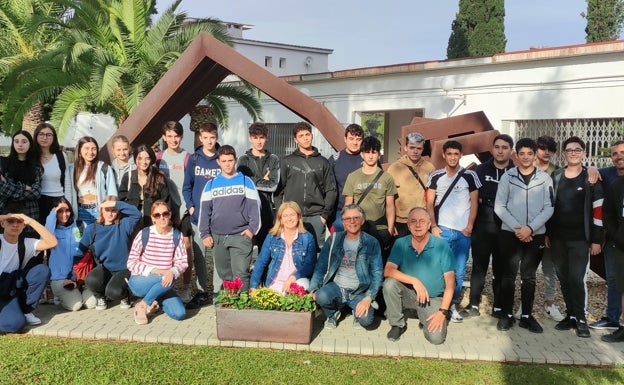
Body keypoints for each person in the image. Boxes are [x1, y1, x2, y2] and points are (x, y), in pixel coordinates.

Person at [493, 138, 554, 333]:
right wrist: (518, 228)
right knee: (508, 276)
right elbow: (499, 206)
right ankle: (506, 314)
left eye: (530, 153)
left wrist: (531, 228)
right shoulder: (507, 177)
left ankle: (527, 316)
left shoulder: (545, 179)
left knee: (528, 277)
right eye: (522, 153)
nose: (526, 157)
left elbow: (549, 207)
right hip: (510, 234)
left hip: (535, 235)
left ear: (535, 155)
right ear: (516, 155)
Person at [549, 136, 603, 338]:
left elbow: (598, 211)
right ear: (563, 153)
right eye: (569, 150)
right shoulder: (556, 175)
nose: (573, 153)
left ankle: (581, 318)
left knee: (576, 278)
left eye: (577, 149)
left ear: (584, 153)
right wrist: (548, 233)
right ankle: (570, 315)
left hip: (581, 239)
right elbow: (549, 206)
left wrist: (596, 239)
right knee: (563, 277)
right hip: (557, 239)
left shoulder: (590, 178)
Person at [460, 134, 514, 318]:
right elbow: (474, 196)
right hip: (483, 225)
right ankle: (473, 304)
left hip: (506, 228)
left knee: (501, 267)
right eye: (497, 147)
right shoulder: (480, 170)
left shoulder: (515, 171)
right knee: (479, 267)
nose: (500, 150)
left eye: (504, 147)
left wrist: (489, 198)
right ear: (492, 149)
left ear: (511, 151)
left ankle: (498, 306)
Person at [426, 140, 480, 323]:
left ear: (461, 155)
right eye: (449, 154)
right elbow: (429, 203)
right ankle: (435, 305)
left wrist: (470, 226)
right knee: (437, 269)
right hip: (442, 230)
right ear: (444, 154)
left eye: (456, 154)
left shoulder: (470, 176)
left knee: (458, 272)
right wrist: (433, 226)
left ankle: (451, 306)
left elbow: (474, 202)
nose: (452, 157)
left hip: (462, 233)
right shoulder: (436, 176)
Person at [383, 207, 455, 344]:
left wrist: (442, 312)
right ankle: (397, 324)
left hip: (432, 298)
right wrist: (414, 280)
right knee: (389, 284)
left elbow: (451, 284)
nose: (417, 225)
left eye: (422, 221)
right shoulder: (400, 243)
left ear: (429, 224)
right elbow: (388, 271)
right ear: (408, 225)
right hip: (409, 294)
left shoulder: (441, 246)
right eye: (413, 221)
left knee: (436, 339)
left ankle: (424, 317)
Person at [308, 204, 383, 329]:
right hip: (336, 287)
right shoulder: (334, 239)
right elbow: (320, 267)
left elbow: (377, 273)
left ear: (362, 220)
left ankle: (355, 312)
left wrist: (368, 298)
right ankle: (333, 314)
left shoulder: (371, 242)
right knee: (321, 296)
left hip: (359, 291)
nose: (352, 221)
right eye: (347, 219)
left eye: (356, 218)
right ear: (343, 222)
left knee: (366, 320)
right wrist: (313, 289)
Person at [198, 145, 261, 292]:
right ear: (218, 162)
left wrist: (252, 230)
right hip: (218, 237)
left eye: (230, 160)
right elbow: (204, 211)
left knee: (241, 274)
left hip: (240, 236)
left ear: (236, 160)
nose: (227, 164)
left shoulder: (246, 182)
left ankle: (242, 308)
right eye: (224, 160)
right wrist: (205, 233)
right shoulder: (211, 184)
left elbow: (255, 209)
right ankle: (230, 306)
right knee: (225, 275)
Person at [275, 121, 337, 250]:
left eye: (307, 134)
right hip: (293, 215)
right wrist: (283, 213)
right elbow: (278, 191)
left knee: (315, 252)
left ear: (312, 136)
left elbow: (331, 190)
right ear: (295, 139)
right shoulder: (287, 161)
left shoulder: (323, 162)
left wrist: (324, 216)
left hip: (316, 216)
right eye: (301, 135)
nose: (305, 138)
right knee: (292, 251)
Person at [127, 200, 188, 324]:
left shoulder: (176, 236)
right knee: (170, 277)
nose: (162, 218)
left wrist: (172, 271)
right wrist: (155, 270)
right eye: (157, 215)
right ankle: (143, 306)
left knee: (180, 314)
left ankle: (152, 300)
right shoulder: (144, 234)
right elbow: (131, 262)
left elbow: (182, 262)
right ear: (153, 218)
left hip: (164, 283)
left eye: (165, 214)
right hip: (141, 280)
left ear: (170, 215)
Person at [523, 135, 564, 322]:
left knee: (549, 268)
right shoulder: (525, 170)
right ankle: (524, 307)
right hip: (526, 230)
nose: (546, 152)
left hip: (548, 230)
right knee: (526, 269)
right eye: (542, 148)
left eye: (551, 149)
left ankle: (549, 303)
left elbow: (556, 205)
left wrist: (550, 232)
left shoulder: (558, 173)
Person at [0, 204, 57, 332]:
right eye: (10, 221)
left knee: (42, 270)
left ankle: (25, 310)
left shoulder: (26, 243)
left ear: (24, 224)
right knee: (13, 325)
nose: (15, 225)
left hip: (12, 288)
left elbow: (52, 242)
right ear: (2, 223)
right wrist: (5, 216)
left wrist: (30, 220)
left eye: (19, 222)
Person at [182, 122, 222, 308]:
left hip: (218, 217)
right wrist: (191, 207)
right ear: (200, 137)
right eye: (205, 137)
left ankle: (219, 292)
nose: (209, 141)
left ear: (216, 137)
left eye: (212, 137)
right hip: (198, 218)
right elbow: (187, 186)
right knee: (199, 256)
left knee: (218, 256)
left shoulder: (222, 158)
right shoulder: (194, 159)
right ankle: (202, 291)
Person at [155, 121, 194, 304]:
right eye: (169, 136)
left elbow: (191, 186)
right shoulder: (158, 158)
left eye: (176, 136)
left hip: (183, 211)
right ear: (164, 137)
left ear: (182, 136)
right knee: (162, 248)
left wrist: (183, 212)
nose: (173, 139)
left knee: (186, 249)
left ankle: (186, 287)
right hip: (164, 212)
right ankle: (160, 287)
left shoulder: (188, 158)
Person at [79, 197, 141, 310]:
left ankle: (125, 295)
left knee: (113, 292)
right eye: (107, 209)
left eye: (114, 210)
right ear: (101, 210)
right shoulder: (92, 229)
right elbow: (80, 251)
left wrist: (116, 203)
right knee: (91, 280)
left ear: (118, 211)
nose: (110, 213)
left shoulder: (124, 225)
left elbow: (136, 214)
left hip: (123, 269)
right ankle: (100, 297)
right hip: (104, 269)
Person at [343, 136, 397, 259]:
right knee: (359, 262)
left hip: (380, 228)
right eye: (367, 152)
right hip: (358, 227)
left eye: (374, 152)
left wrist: (389, 229)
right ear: (362, 154)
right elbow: (348, 206)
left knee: (379, 264)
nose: (370, 156)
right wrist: (348, 228)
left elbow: (390, 206)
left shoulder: (386, 177)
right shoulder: (352, 176)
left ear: (379, 155)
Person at [590, 140, 624, 331]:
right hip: (613, 239)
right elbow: (590, 170)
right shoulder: (607, 174)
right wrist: (592, 168)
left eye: (622, 152)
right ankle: (613, 318)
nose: (619, 156)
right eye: (615, 154)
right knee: (613, 279)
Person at [249, 201, 316, 294]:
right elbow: (261, 261)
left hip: (297, 281)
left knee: (302, 287)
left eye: (292, 214)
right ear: (280, 219)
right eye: (285, 216)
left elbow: (309, 265)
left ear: (299, 216)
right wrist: (253, 286)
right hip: (275, 282)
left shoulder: (308, 237)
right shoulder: (272, 236)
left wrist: (293, 277)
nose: (289, 219)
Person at [44, 198, 96, 311]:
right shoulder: (52, 231)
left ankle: (79, 290)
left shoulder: (81, 225)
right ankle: (60, 296)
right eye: (60, 211)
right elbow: (47, 232)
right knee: (76, 306)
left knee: (92, 304)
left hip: (82, 277)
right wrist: (54, 211)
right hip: (62, 279)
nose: (64, 214)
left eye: (67, 210)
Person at [236, 122, 280, 250]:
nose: (259, 141)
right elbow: (242, 184)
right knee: (245, 251)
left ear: (266, 138)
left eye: (261, 137)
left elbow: (273, 185)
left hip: (267, 211)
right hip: (247, 211)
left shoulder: (273, 159)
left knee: (266, 251)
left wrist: (252, 181)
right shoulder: (243, 159)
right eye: (255, 138)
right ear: (250, 138)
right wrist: (262, 180)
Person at [387, 132, 435, 237]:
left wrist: (432, 223)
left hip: (422, 221)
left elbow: (434, 198)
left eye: (419, 148)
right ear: (405, 147)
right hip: (401, 222)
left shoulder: (429, 168)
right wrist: (390, 224)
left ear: (423, 149)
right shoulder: (394, 168)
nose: (415, 151)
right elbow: (388, 200)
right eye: (412, 147)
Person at [119, 144, 171, 231]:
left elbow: (166, 202)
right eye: (140, 158)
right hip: (131, 225)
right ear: (135, 159)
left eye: (147, 158)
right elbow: (121, 201)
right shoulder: (128, 177)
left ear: (151, 160)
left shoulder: (159, 178)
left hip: (153, 225)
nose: (144, 162)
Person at [0, 130, 43, 232]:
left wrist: (11, 187)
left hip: (29, 213)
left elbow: (36, 193)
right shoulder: (3, 163)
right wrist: (25, 188)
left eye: (24, 141)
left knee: (28, 244)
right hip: (5, 212)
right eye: (16, 141)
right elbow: (2, 188)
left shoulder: (36, 167)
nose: (20, 144)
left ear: (30, 144)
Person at [600, 167, 624, 343]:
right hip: (621, 247)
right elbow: (607, 213)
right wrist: (617, 236)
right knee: (622, 289)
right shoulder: (617, 185)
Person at [34, 123, 73, 224]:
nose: (45, 137)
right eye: (41, 134)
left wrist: (68, 204)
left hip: (58, 201)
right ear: (36, 136)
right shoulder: (31, 157)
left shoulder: (61, 156)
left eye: (49, 135)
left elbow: (67, 181)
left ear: (54, 137)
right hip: (37, 202)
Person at [73, 137, 118, 225]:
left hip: (99, 211)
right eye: (87, 148)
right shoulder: (73, 169)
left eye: (94, 149)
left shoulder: (104, 168)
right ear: (79, 151)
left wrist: (109, 212)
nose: (90, 152)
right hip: (81, 211)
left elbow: (112, 193)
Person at [328, 124, 365, 232]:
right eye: (351, 138)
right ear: (345, 139)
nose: (355, 142)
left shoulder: (368, 159)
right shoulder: (335, 159)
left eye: (358, 139)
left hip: (363, 213)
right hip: (339, 213)